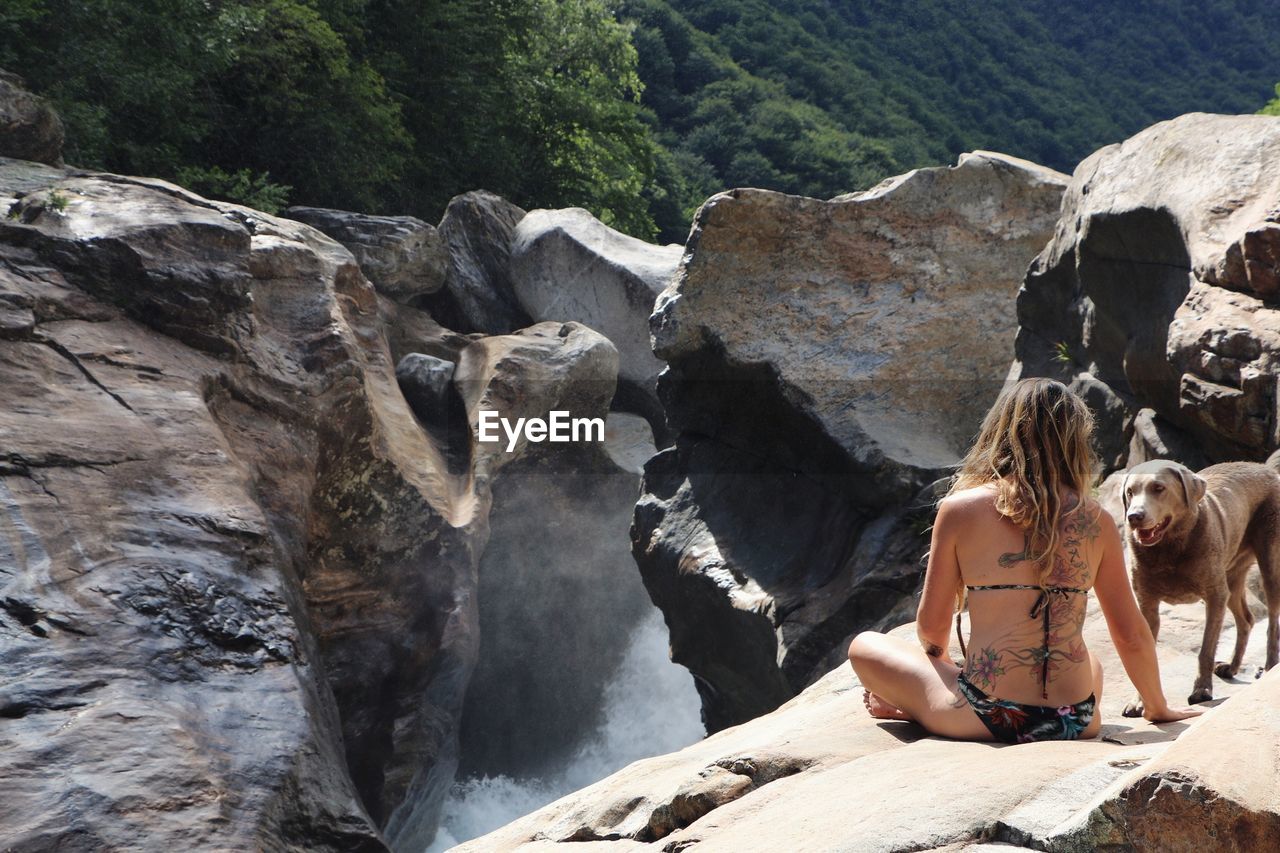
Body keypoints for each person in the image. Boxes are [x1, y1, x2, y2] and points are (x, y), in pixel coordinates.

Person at [847, 378, 1202, 743]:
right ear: (1075, 441)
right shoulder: (1097, 520)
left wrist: (942, 677)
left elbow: (933, 631)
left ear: (1000, 431)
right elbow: (1130, 634)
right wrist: (1157, 706)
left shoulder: (960, 509)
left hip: (985, 713)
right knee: (1089, 661)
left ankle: (910, 708)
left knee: (865, 644)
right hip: (1076, 719)